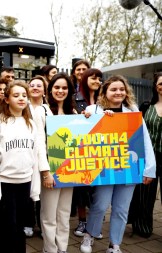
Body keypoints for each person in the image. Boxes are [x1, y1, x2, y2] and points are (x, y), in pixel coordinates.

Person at [80, 75, 156, 253]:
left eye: (121, 89)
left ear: (126, 91)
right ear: (105, 92)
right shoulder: (93, 109)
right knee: (100, 205)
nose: (118, 92)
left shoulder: (133, 111)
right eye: (113, 89)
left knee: (122, 209)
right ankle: (89, 235)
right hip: (104, 170)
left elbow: (144, 139)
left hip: (129, 168)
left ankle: (115, 244)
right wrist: (87, 118)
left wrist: (149, 169)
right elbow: (81, 133)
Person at [0, 80, 48, 253]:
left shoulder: (31, 124)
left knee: (20, 228)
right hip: (5, 184)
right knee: (7, 228)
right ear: (6, 99)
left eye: (24, 95)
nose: (21, 98)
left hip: (25, 184)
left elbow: (34, 157)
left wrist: (34, 191)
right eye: (16, 95)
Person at [40, 73, 76, 253]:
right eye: (57, 87)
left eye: (64, 88)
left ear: (69, 91)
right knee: (49, 215)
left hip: (69, 170)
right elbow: (39, 143)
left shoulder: (74, 112)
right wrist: (45, 172)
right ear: (50, 90)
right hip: (49, 170)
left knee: (64, 213)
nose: (60, 91)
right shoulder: (42, 111)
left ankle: (62, 248)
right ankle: (50, 249)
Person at [128, 72, 162, 238]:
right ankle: (142, 226)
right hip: (150, 156)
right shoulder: (146, 106)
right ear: (156, 86)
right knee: (145, 194)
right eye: (161, 84)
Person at [72, 68, 104, 238]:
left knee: (99, 188)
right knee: (81, 189)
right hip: (80, 150)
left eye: (99, 78)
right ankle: (82, 221)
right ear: (85, 79)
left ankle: (95, 223)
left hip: (100, 149)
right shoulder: (75, 99)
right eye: (93, 78)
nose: (97, 81)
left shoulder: (104, 99)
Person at [24, 75, 49, 238]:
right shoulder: (23, 105)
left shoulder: (47, 109)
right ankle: (27, 223)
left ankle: (41, 224)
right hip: (25, 153)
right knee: (27, 190)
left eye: (39, 85)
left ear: (44, 90)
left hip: (44, 153)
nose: (35, 88)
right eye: (32, 85)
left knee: (42, 192)